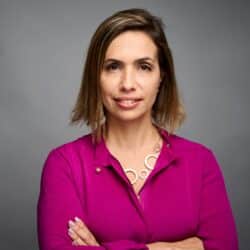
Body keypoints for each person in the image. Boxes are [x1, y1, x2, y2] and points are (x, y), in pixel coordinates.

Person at [37, 8, 239, 250]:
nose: (128, 84)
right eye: (113, 67)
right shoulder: (64, 164)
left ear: (161, 76)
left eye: (143, 66)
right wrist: (173, 247)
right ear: (95, 76)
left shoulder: (200, 161)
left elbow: (224, 246)